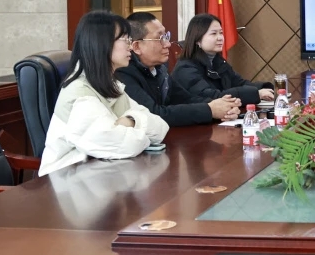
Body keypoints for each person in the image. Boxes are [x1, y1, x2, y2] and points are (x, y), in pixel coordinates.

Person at [39, 11, 169, 176]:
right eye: (125, 40)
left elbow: (160, 128)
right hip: (65, 181)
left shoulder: (111, 85)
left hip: (98, 175)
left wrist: (130, 120)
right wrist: (140, 133)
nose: (130, 46)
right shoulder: (80, 91)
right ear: (101, 44)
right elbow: (125, 146)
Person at [116, 12, 241, 126]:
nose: (168, 44)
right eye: (160, 39)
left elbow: (185, 99)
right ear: (137, 47)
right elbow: (154, 114)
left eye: (166, 36)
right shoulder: (123, 73)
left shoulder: (159, 70)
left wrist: (222, 106)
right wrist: (210, 110)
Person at [173, 13, 276, 106]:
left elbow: (239, 83)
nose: (220, 38)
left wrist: (265, 88)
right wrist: (256, 94)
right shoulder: (185, 68)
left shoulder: (218, 62)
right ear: (197, 40)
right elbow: (213, 97)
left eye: (221, 33)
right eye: (214, 33)